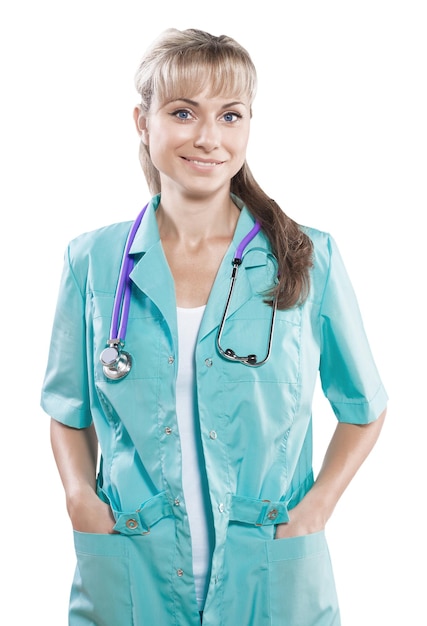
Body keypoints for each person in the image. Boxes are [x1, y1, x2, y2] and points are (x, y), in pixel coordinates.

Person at [41, 27, 387, 626]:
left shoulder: (307, 258)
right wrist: (78, 498)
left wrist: (315, 511)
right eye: (183, 112)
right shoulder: (92, 262)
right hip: (129, 565)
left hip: (273, 571)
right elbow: (67, 410)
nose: (208, 138)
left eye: (230, 116)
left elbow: (365, 408)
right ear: (141, 122)